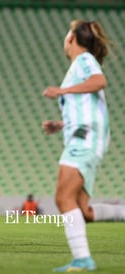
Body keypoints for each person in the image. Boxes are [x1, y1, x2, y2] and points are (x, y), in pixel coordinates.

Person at [42, 19, 125, 272]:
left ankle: (83, 260)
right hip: (86, 136)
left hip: (85, 139)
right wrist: (61, 124)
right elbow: (86, 108)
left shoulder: (84, 60)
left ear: (71, 39)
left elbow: (100, 81)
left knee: (63, 197)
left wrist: (63, 91)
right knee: (83, 211)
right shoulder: (79, 65)